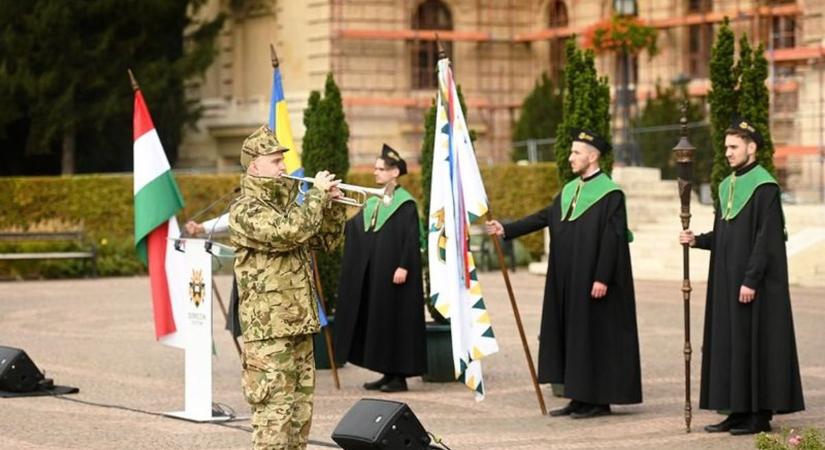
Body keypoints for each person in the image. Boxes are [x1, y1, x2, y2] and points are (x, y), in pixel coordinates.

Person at [486, 128, 642, 418]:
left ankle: (598, 400)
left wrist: (602, 277)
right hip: (567, 280)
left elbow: (613, 239)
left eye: (576, 152)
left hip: (594, 281)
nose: (570, 157)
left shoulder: (610, 195)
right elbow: (543, 217)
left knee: (593, 337)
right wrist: (506, 228)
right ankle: (578, 396)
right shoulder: (570, 190)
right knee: (572, 335)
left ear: (593, 157)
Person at [679, 117, 804, 435]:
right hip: (725, 282)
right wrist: (698, 240)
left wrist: (751, 279)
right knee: (731, 345)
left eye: (734, 147)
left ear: (752, 148)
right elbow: (724, 234)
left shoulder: (765, 188)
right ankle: (736, 410)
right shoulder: (727, 185)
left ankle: (758, 415)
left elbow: (767, 240)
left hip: (755, 285)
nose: (728, 153)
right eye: (726, 147)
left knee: (755, 344)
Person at [229, 125, 347, 449]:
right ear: (254, 165)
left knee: (298, 423)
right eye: (275, 160)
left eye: (283, 159)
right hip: (269, 334)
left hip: (298, 325)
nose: (284, 166)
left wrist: (333, 207)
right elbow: (288, 234)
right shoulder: (245, 210)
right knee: (274, 426)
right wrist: (316, 197)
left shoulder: (291, 206)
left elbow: (325, 242)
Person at [334, 144, 427, 393]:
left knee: (397, 322)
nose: (375, 173)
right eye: (375, 168)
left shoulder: (405, 203)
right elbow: (355, 229)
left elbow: (411, 238)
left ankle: (399, 377)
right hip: (377, 275)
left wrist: (404, 266)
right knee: (381, 321)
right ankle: (386, 372)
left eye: (380, 169)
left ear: (395, 172)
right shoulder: (374, 201)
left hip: (396, 273)